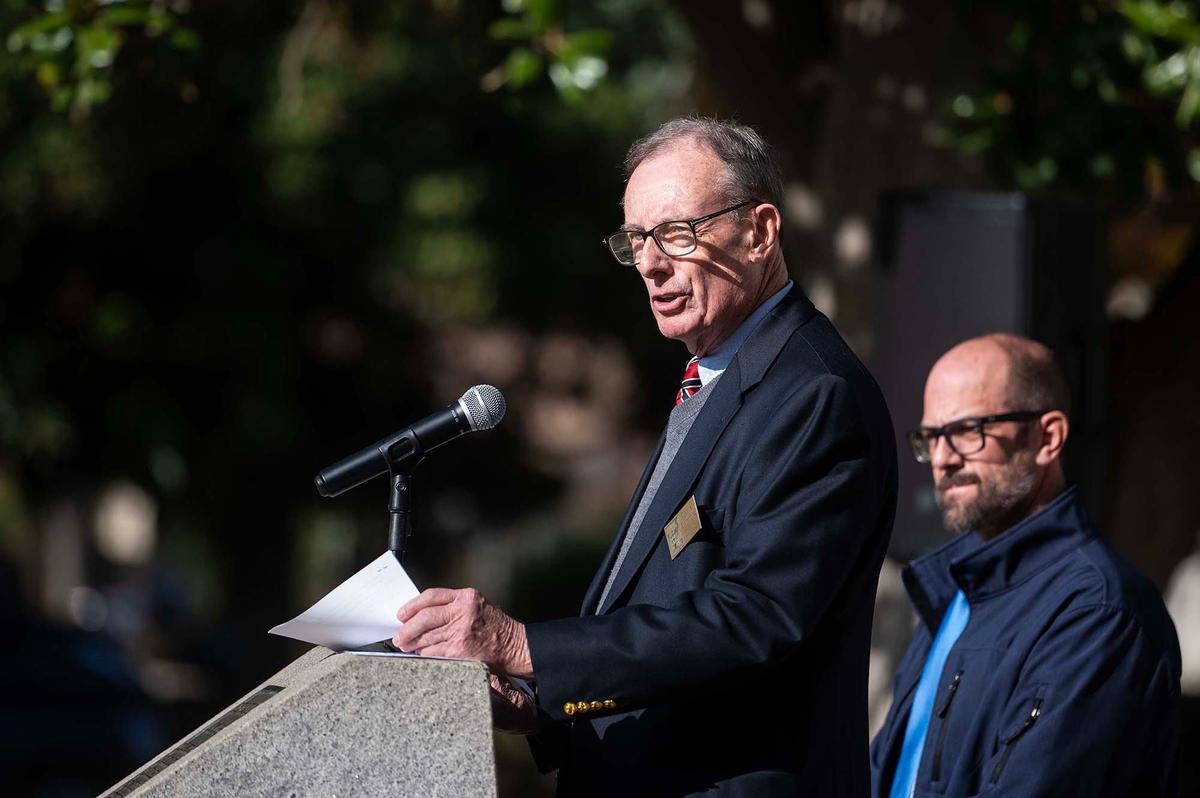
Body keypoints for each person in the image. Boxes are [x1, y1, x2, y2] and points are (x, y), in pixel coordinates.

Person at [393, 117, 898, 796]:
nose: (652, 264)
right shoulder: (717, 379)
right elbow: (666, 615)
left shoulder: (811, 393)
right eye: (636, 241)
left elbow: (754, 618)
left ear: (760, 231)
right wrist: (537, 703)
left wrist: (526, 647)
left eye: (677, 234)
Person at [870, 334, 1181, 798]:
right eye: (932, 437)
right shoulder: (954, 593)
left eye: (968, 431)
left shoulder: (1097, 614)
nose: (942, 459)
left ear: (1048, 437)